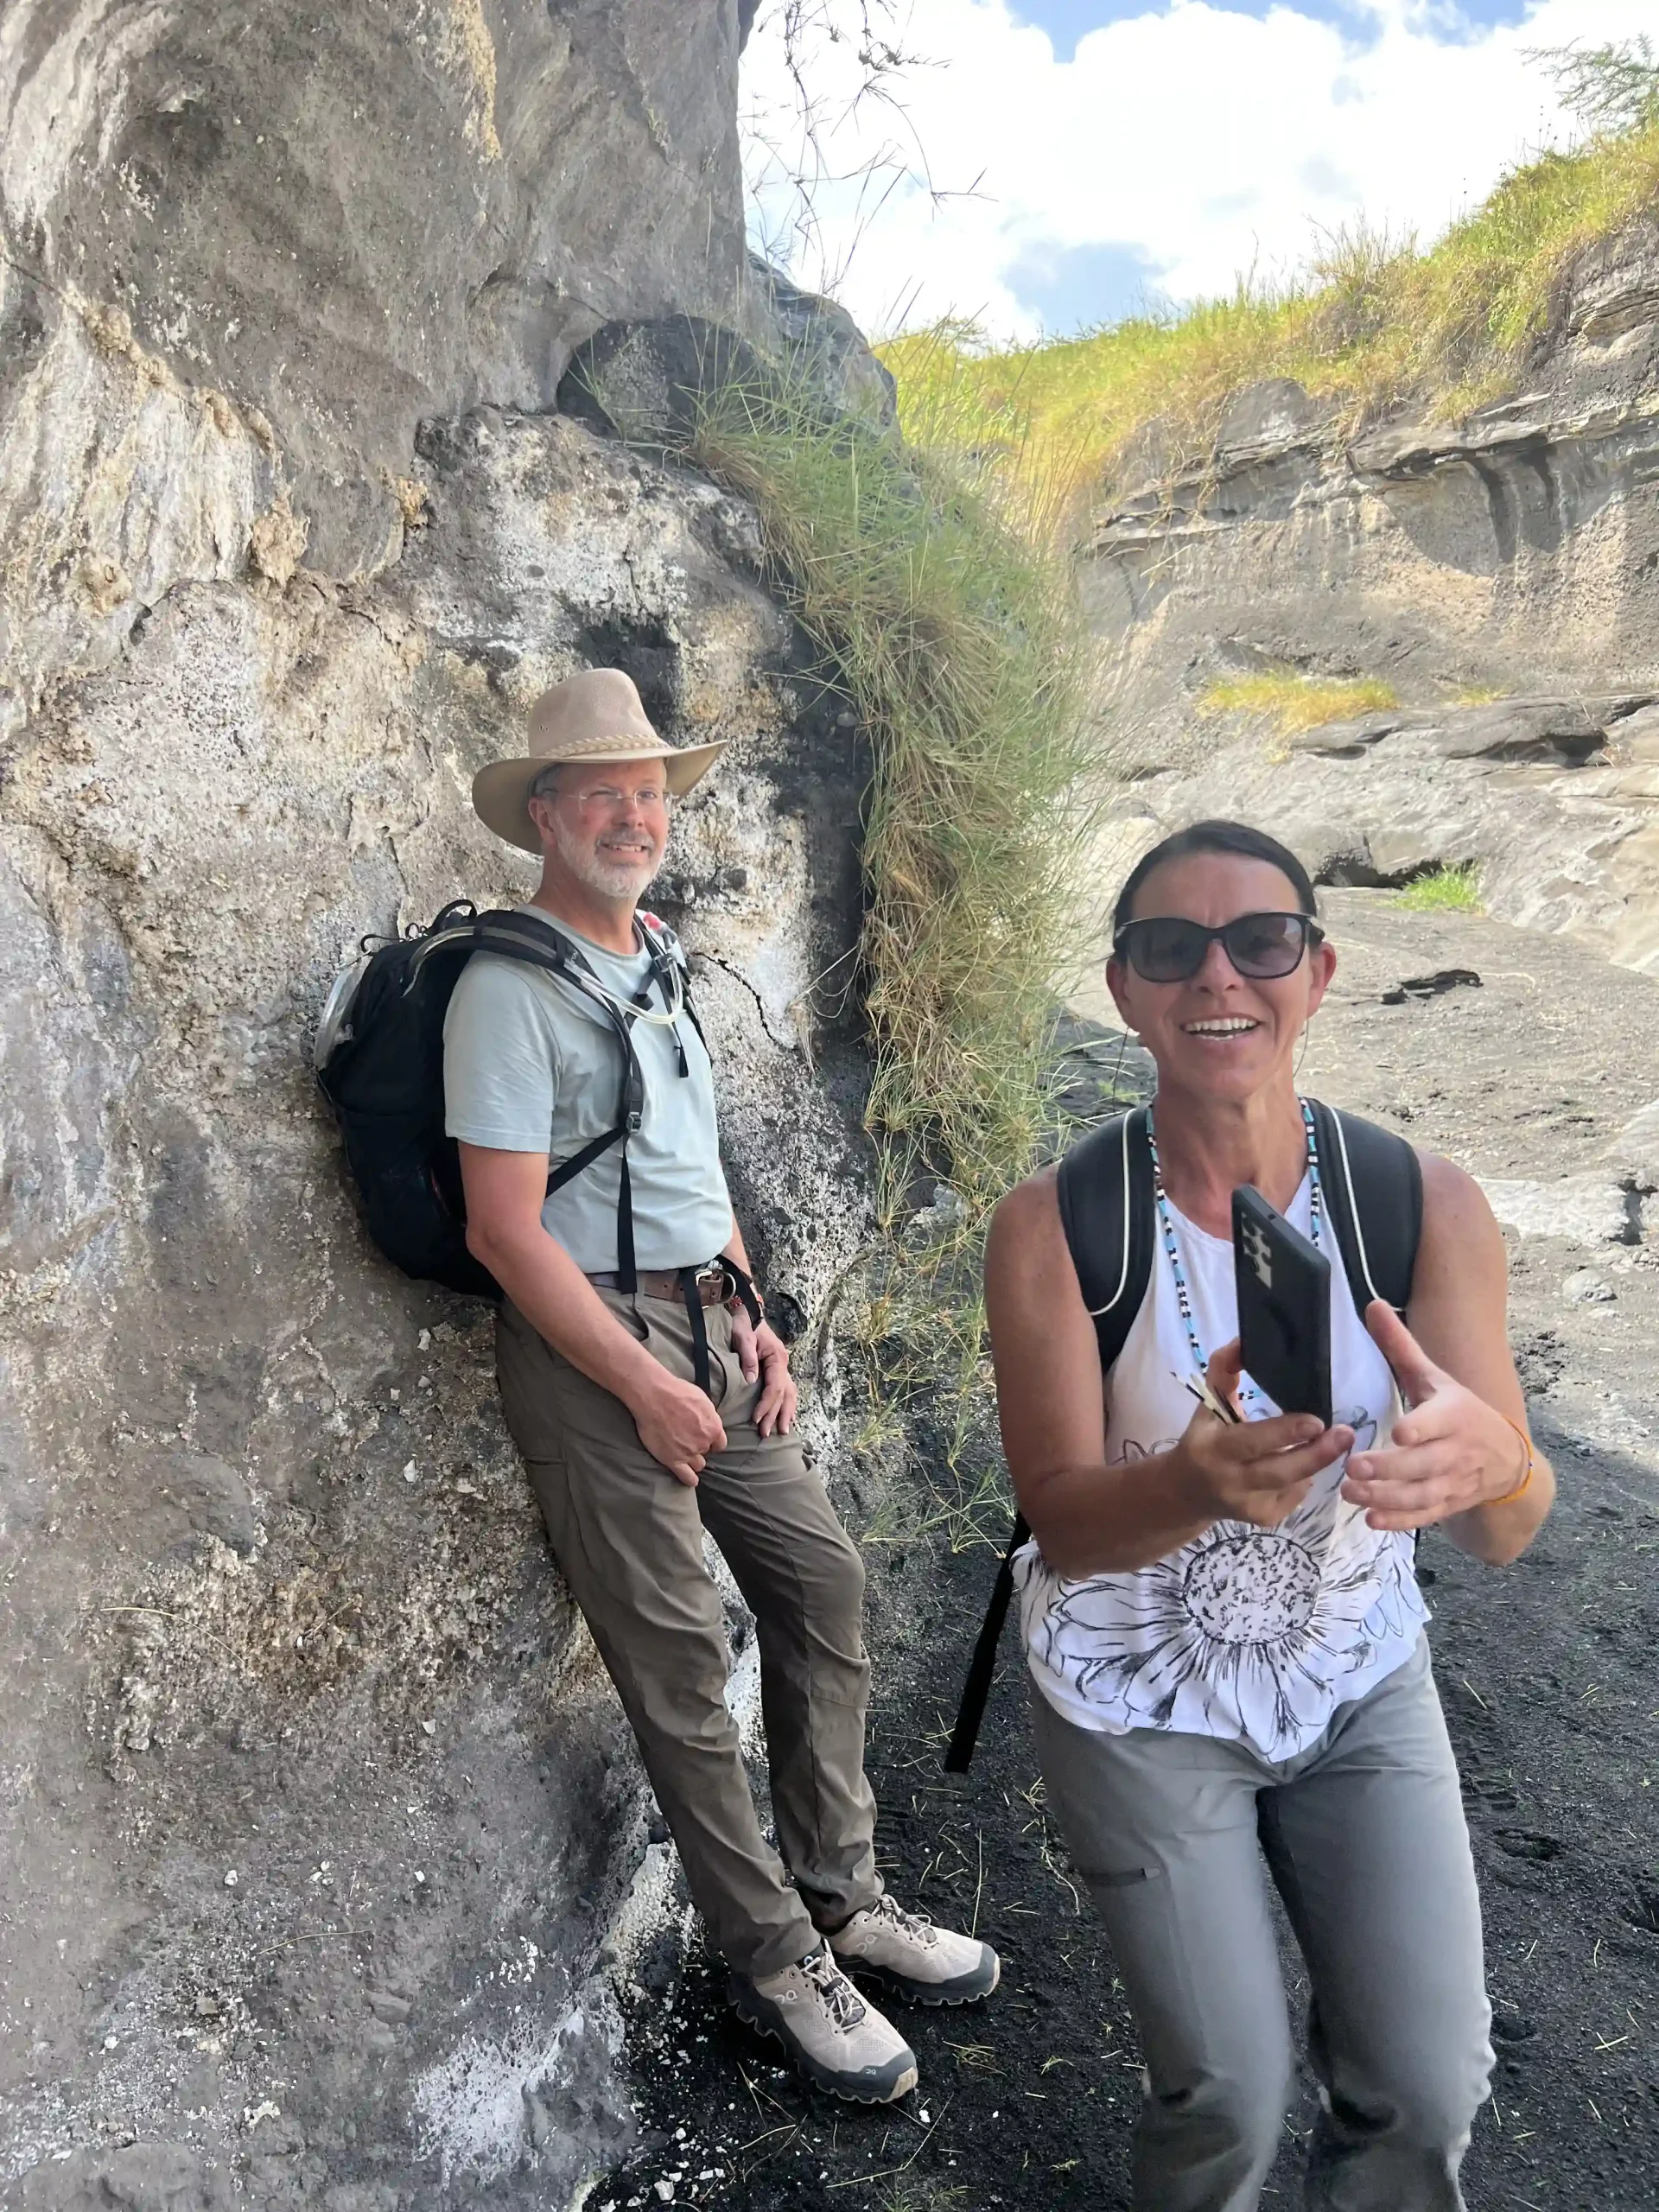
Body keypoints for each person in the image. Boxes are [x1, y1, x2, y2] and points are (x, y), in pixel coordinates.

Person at [443, 666, 998, 2106]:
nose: (634, 817)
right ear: (545, 815)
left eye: (650, 794)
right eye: (603, 796)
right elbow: (504, 1231)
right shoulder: (505, 992)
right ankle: (773, 1962)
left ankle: (842, 1897)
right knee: (683, 1668)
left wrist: (756, 1317)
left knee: (820, 1586)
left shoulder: (657, 959)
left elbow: (691, 1171)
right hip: (591, 1350)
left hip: (709, 1326)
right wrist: (641, 1382)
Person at [984, 819, 1553, 2211]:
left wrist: (1496, 1466)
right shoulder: (1057, 1226)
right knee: (1227, 2095)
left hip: (1357, 1675)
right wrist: (1189, 1484)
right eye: (1170, 948)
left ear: (1320, 969)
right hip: (1137, 1694)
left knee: (1429, 2084)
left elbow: (1506, 1529)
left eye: (1262, 940)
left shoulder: (1422, 1204)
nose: (1218, 975)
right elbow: (1063, 1526)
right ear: (1123, 989)